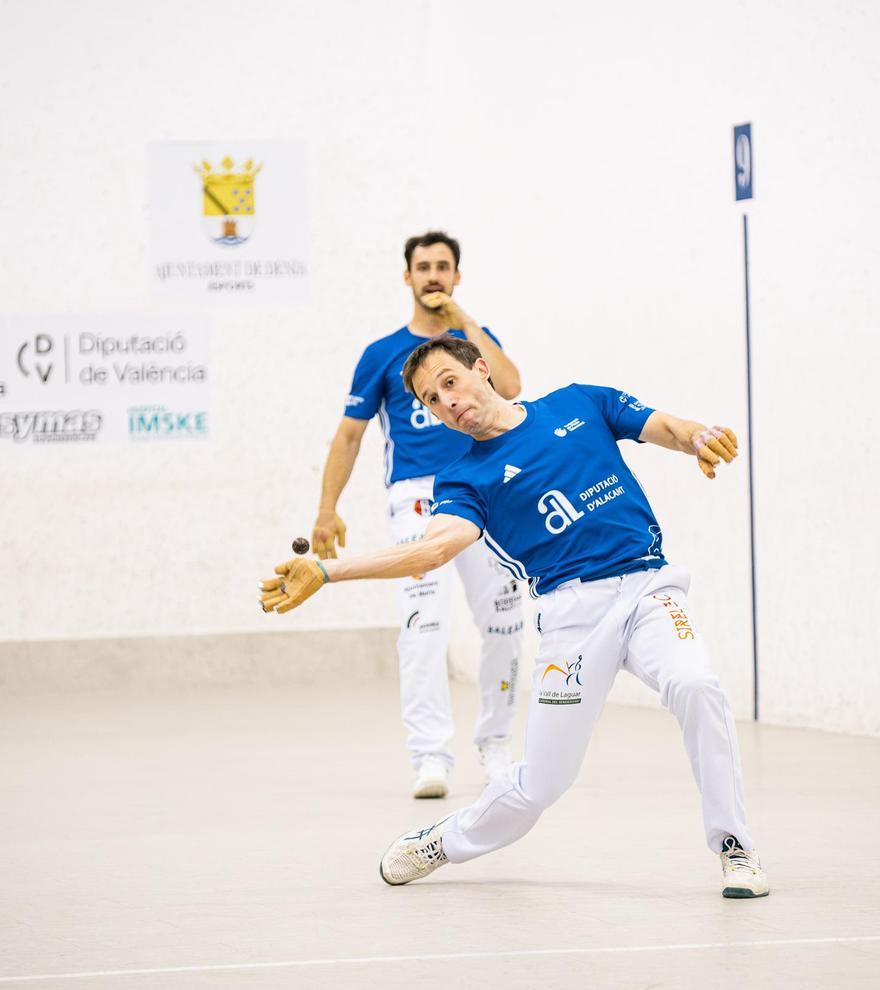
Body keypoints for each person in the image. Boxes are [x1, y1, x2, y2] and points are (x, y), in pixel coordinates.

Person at [261, 335, 770, 899]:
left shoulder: (579, 403)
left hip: (648, 586)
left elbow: (666, 428)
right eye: (431, 400)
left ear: (482, 370)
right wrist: (330, 572)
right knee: (540, 786)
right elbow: (431, 552)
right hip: (571, 618)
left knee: (696, 683)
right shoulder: (462, 480)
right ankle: (445, 841)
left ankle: (735, 846)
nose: (446, 402)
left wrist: (701, 436)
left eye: (449, 383)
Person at [308, 231, 525, 799]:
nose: (432, 275)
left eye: (443, 267)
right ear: (406, 277)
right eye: (423, 267)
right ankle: (430, 756)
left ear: (456, 277)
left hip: (485, 489)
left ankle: (496, 743)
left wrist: (463, 319)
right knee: (423, 625)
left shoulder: (475, 341)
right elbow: (349, 435)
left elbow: (513, 386)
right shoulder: (381, 355)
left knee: (504, 620)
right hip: (417, 498)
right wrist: (326, 510)